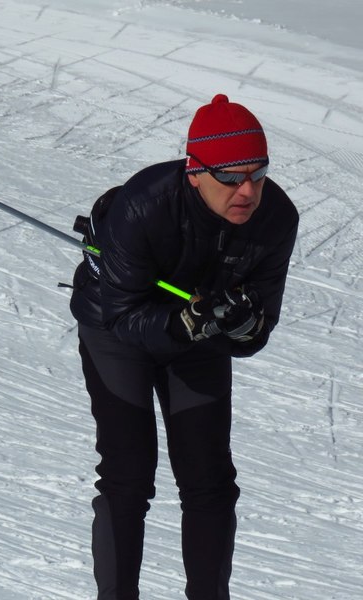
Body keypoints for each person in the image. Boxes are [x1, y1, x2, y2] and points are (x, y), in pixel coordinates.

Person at [70, 94, 299, 600]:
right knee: (128, 474)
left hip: (199, 336)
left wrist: (242, 325)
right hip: (117, 332)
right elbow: (123, 315)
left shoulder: (276, 218)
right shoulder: (143, 203)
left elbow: (258, 331)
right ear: (195, 171)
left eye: (258, 174)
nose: (248, 191)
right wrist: (186, 323)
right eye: (231, 177)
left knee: (209, 479)